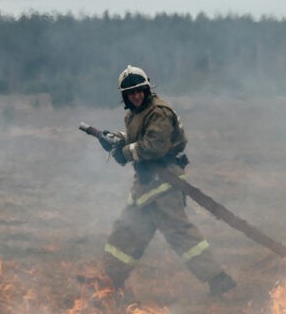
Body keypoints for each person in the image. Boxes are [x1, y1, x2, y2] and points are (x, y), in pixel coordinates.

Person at [99, 65, 236, 296]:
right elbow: (138, 138)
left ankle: (218, 278)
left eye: (139, 91)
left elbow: (154, 146)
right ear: (125, 96)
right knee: (126, 231)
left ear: (146, 89)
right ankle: (109, 280)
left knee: (179, 233)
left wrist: (123, 152)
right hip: (145, 182)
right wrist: (116, 139)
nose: (136, 95)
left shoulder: (159, 112)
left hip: (165, 180)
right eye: (131, 93)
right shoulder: (133, 113)